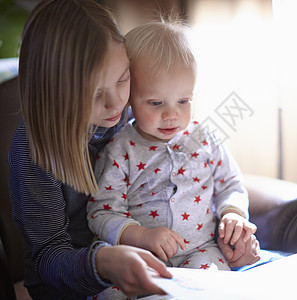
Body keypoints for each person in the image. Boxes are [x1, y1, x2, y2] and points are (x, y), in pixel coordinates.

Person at [8, 0, 174, 299]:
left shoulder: (130, 113)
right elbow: (48, 258)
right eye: (95, 94)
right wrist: (103, 262)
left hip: (142, 259)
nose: (116, 104)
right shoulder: (35, 147)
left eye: (123, 79)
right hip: (71, 285)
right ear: (55, 89)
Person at [87, 20, 259, 298]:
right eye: (156, 103)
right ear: (130, 97)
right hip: (140, 256)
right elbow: (101, 211)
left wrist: (233, 214)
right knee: (110, 295)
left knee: (218, 291)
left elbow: (231, 185)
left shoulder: (205, 137)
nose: (172, 115)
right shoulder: (121, 149)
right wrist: (140, 236)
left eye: (184, 101)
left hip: (201, 251)